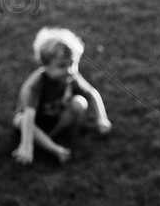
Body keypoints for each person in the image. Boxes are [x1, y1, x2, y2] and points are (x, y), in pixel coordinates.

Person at [11, 26, 111, 164]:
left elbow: (92, 94)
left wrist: (102, 119)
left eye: (72, 64)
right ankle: (55, 149)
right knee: (20, 119)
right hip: (34, 125)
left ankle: (67, 135)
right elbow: (29, 115)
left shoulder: (71, 77)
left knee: (79, 102)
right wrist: (26, 146)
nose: (69, 70)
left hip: (56, 120)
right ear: (45, 65)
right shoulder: (36, 84)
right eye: (62, 66)